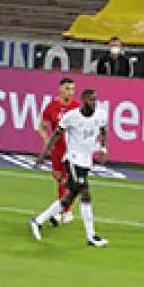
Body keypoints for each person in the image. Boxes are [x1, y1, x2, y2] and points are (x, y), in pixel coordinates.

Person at [30, 88, 110, 247]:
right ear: (83, 100)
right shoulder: (71, 117)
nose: (94, 103)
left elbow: (103, 130)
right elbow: (56, 134)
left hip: (86, 161)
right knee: (85, 194)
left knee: (68, 199)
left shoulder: (100, 114)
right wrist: (44, 154)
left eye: (96, 100)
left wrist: (103, 149)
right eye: (91, 100)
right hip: (73, 160)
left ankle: (37, 221)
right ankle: (91, 236)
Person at [39, 77, 81, 225]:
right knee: (59, 179)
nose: (70, 92)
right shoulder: (51, 107)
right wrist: (47, 143)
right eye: (67, 89)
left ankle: (63, 212)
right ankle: (63, 210)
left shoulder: (77, 107)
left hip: (72, 150)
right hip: (57, 150)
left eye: (72, 89)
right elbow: (43, 128)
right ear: (60, 89)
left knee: (66, 180)